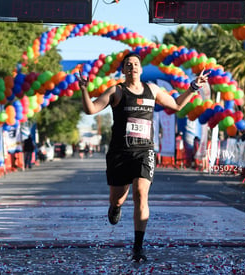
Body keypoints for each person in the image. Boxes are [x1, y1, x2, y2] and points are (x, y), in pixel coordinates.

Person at [76, 52, 208, 262]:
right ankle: (116, 206)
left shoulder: (153, 90)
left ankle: (138, 247)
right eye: (128, 65)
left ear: (141, 69)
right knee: (117, 197)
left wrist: (192, 88)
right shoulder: (116, 91)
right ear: (124, 70)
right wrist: (83, 89)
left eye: (136, 64)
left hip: (144, 150)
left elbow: (176, 105)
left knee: (140, 193)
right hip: (120, 152)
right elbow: (91, 109)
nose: (133, 68)